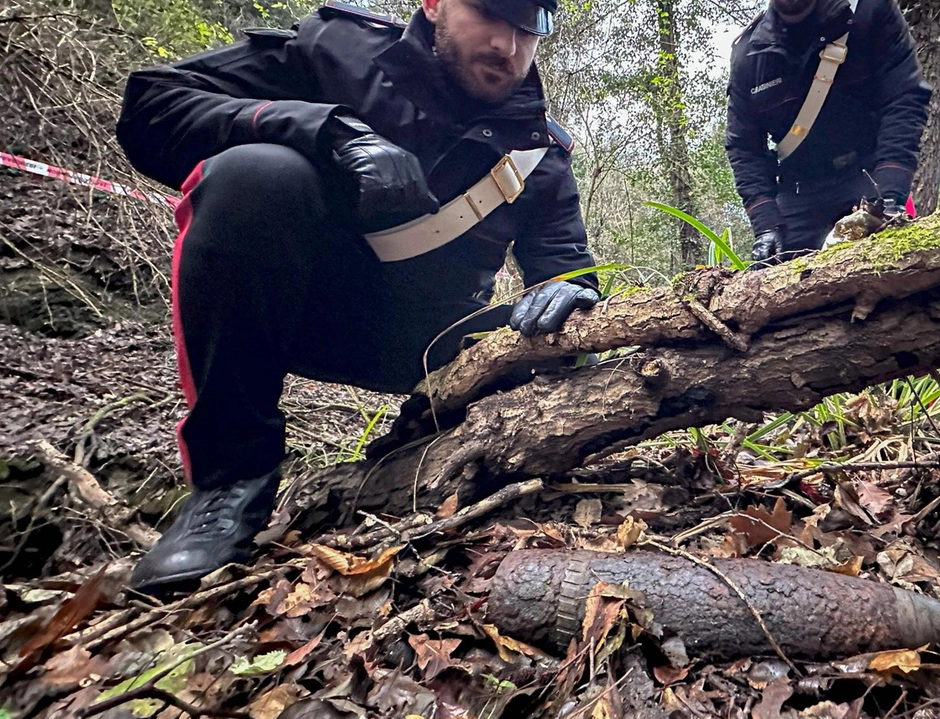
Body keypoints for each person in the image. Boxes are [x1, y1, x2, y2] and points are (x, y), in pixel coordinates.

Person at [116, 0, 601, 594]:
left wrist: (568, 295)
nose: (509, 45)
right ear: (434, 4)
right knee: (253, 174)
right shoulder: (336, 50)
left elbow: (567, 266)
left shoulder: (540, 151)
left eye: (530, 28)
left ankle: (430, 435)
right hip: (291, 305)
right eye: (490, 13)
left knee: (527, 335)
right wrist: (327, 131)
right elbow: (152, 104)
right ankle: (229, 485)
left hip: (429, 350)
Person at [724, 0, 931, 266]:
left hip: (869, 175)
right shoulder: (749, 54)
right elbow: (744, 147)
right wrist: (765, 224)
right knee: (773, 289)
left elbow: (904, 98)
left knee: (897, 272)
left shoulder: (869, 11)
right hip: (798, 190)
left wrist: (890, 194)